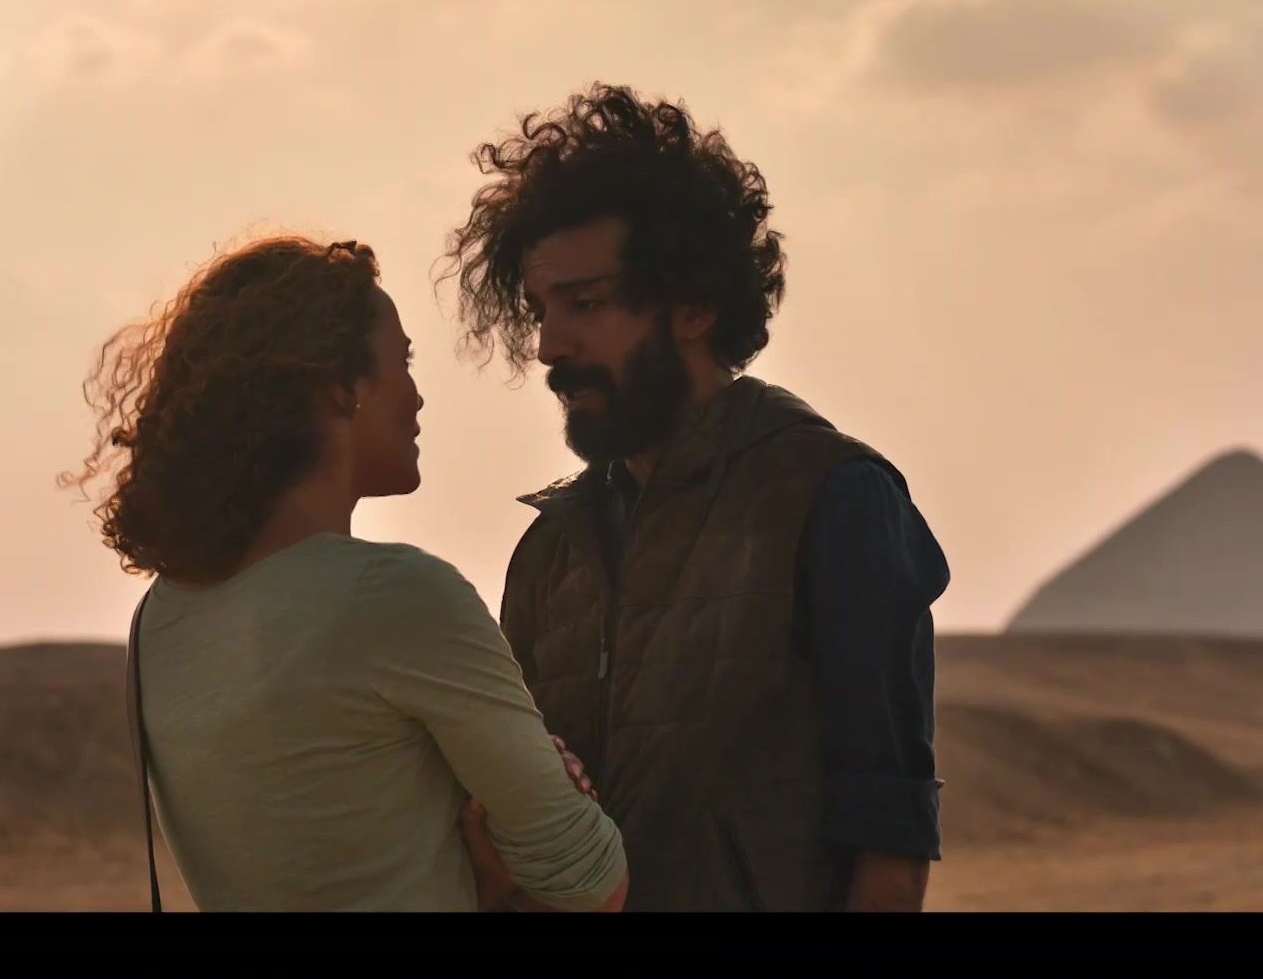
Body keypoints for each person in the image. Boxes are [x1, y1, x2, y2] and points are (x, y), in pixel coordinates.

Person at [435, 83, 950, 912]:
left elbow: (888, 845)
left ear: (696, 306)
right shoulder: (552, 549)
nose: (549, 346)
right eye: (539, 311)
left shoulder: (832, 499)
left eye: (586, 304)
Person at [59, 234, 629, 912]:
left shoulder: (160, 619)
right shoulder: (396, 598)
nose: (417, 397)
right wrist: (526, 831)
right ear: (340, 388)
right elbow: (594, 887)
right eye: (402, 363)